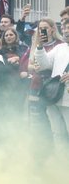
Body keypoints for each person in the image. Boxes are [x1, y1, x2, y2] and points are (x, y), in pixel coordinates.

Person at [33, 19, 69, 150]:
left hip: (67, 100)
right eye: (64, 29)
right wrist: (40, 47)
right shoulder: (60, 48)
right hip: (54, 97)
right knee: (57, 134)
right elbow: (43, 64)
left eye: (68, 28)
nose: (66, 32)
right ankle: (60, 164)